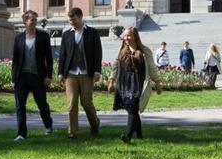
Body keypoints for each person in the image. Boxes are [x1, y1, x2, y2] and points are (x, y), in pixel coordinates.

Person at [108, 27, 162, 143]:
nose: (126, 38)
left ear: (135, 36)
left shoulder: (144, 51)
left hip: (138, 84)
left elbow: (152, 67)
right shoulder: (122, 49)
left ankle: (127, 135)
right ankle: (139, 134)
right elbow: (115, 66)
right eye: (125, 35)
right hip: (124, 84)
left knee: (132, 108)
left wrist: (157, 81)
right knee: (131, 110)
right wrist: (112, 80)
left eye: (129, 35)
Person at [57, 7, 102, 139]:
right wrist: (60, 73)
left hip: (86, 73)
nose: (72, 22)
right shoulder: (66, 34)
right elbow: (63, 55)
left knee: (86, 102)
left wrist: (97, 71)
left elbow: (97, 53)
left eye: (74, 20)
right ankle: (72, 132)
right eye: (70, 20)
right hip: (71, 73)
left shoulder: (92, 33)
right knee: (71, 104)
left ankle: (94, 124)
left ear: (81, 17)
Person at [11, 10, 54, 141]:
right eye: (32, 20)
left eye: (35, 20)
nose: (34, 22)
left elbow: (49, 58)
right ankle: (21, 134)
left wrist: (48, 76)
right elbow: (16, 59)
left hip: (38, 76)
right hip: (22, 77)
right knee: (20, 106)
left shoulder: (43, 36)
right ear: (25, 22)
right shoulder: (18, 37)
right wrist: (14, 79)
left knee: (41, 104)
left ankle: (48, 125)